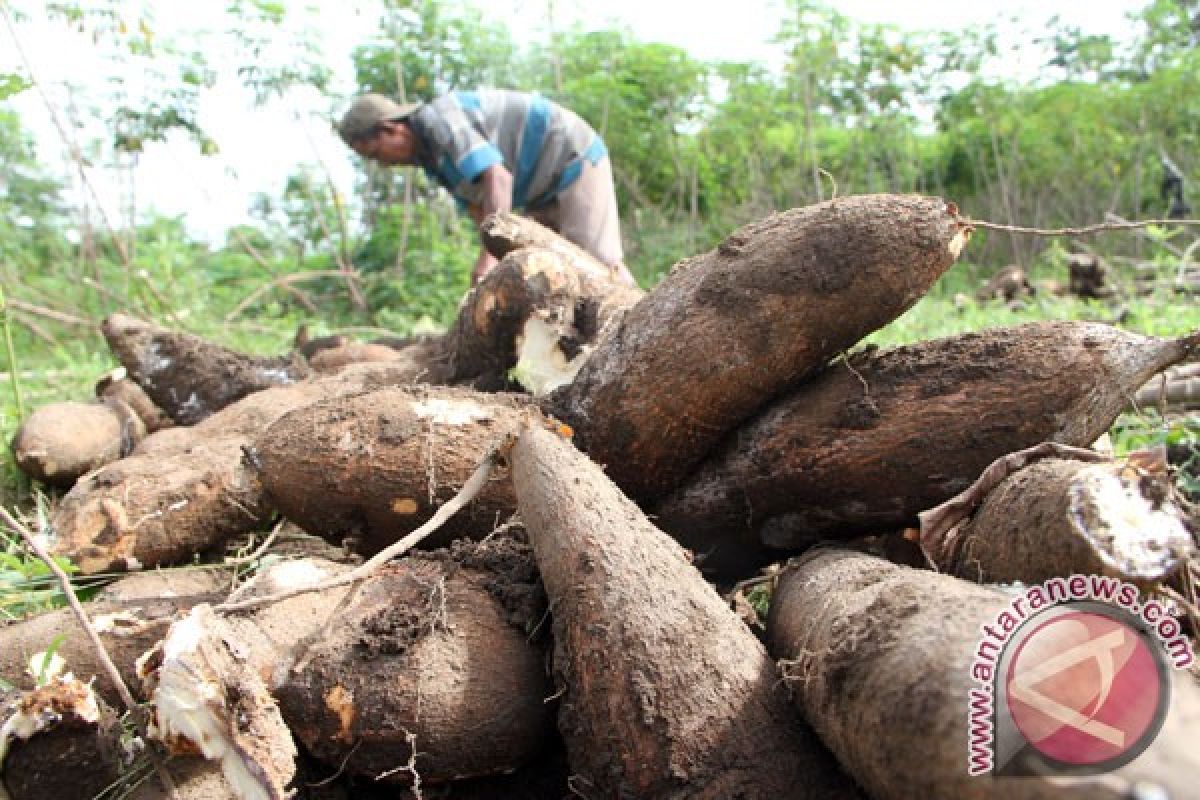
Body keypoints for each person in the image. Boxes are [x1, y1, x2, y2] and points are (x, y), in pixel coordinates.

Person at [338, 89, 636, 286]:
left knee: (599, 263)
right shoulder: (432, 161)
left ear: (392, 129)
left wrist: (490, 258)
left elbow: (498, 178)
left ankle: (645, 330)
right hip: (538, 189)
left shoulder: (440, 121)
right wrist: (494, 264)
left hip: (571, 156)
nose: (384, 165)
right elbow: (479, 207)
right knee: (549, 272)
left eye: (377, 154)